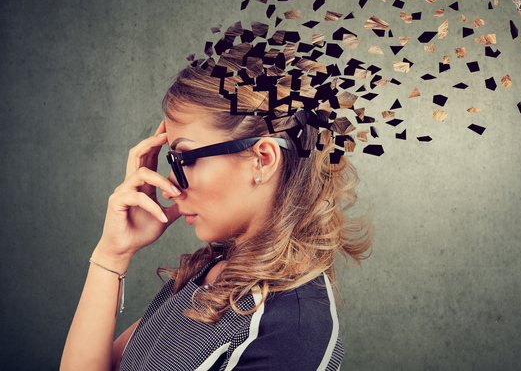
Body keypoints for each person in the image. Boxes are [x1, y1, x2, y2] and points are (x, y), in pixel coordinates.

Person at [60, 48, 372, 371]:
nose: (169, 184)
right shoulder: (208, 273)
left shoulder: (292, 328)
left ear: (262, 160)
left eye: (183, 158)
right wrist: (113, 253)